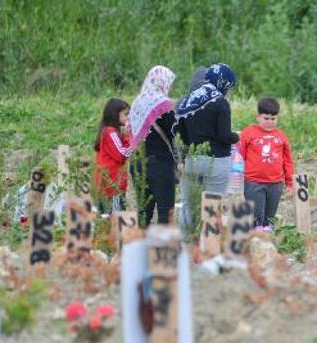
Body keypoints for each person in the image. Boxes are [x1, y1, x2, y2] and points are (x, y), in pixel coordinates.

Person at [176, 63, 239, 230]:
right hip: (216, 161)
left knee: (188, 205)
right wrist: (238, 136)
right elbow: (225, 135)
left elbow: (181, 135)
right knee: (212, 204)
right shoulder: (220, 103)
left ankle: (185, 246)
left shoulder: (186, 101)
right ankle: (207, 248)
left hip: (192, 159)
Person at [128, 65, 178, 227]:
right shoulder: (162, 103)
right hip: (159, 163)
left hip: (137, 163)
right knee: (165, 211)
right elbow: (173, 130)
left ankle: (140, 248)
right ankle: (161, 249)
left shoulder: (137, 103)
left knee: (144, 211)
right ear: (163, 82)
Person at [238, 97, 295, 231]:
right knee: (256, 217)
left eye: (273, 119)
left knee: (269, 219)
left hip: (276, 183)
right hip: (253, 182)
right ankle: (254, 243)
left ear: (277, 118)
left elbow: (287, 160)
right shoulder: (248, 133)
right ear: (258, 117)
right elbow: (240, 155)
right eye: (266, 118)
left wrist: (289, 182)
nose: (269, 122)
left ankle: (267, 247)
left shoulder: (281, 136)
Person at [94, 98, 132, 215]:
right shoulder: (110, 132)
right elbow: (122, 155)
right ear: (115, 115)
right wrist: (129, 138)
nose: (128, 118)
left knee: (106, 220)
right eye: (126, 114)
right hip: (112, 186)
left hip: (108, 185)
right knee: (115, 220)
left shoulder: (108, 131)